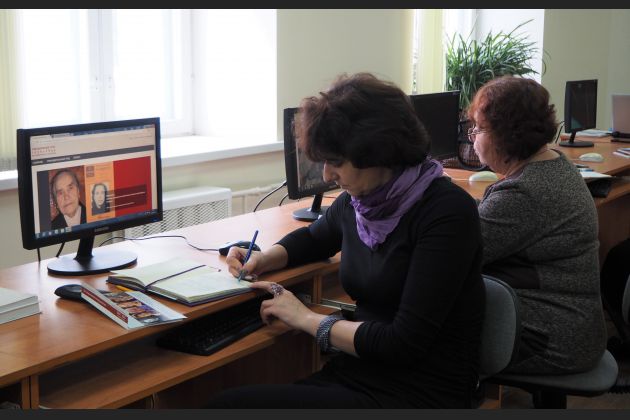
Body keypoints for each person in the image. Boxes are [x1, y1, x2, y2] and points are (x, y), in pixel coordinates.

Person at [207, 72, 485, 408]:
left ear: (379, 152)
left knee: (226, 406)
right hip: (362, 369)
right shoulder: (359, 203)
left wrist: (305, 318)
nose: (327, 175)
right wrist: (263, 258)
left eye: (336, 162)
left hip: (422, 389)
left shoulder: (446, 213)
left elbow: (403, 343)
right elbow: (314, 239)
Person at [467, 75, 607, 374]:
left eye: (478, 128)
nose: (473, 137)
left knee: (425, 334)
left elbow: (456, 252)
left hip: (552, 338)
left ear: (506, 135)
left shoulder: (524, 192)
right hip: (572, 323)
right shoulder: (554, 163)